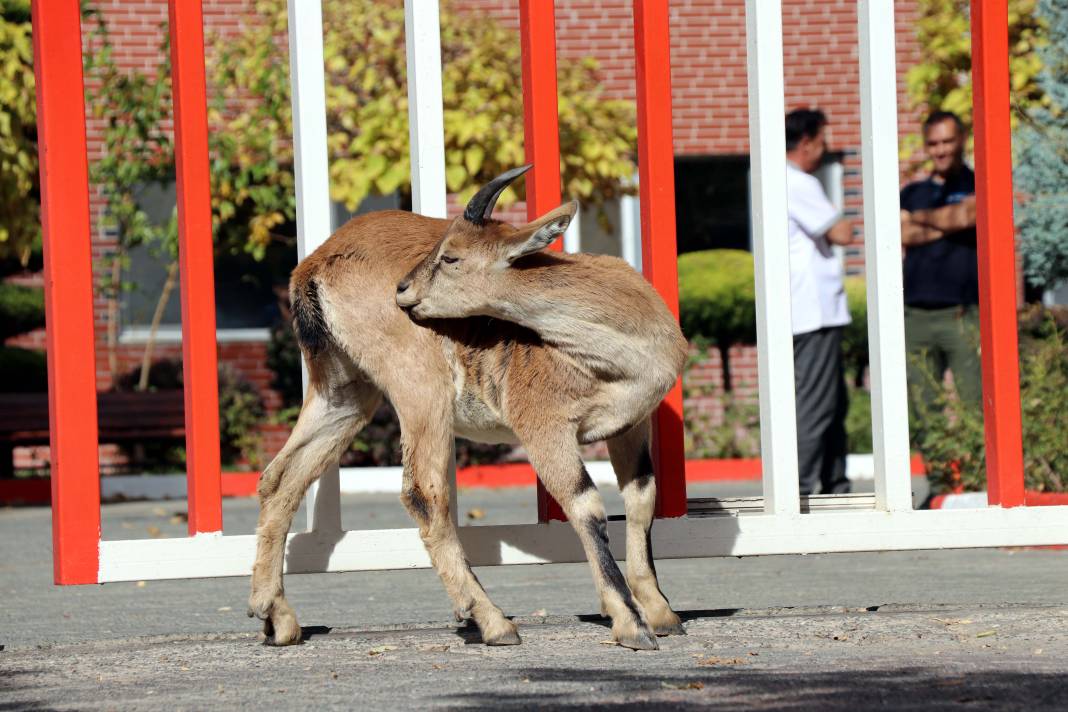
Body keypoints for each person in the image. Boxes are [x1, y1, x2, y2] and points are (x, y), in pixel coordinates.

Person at [784, 108, 854, 496]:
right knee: (817, 404)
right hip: (815, 313)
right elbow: (841, 232)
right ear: (807, 141)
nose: (825, 150)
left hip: (807, 311)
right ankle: (804, 488)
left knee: (831, 402)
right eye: (822, 141)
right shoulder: (798, 182)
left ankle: (834, 482)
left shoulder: (778, 181)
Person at [899, 111, 981, 436]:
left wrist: (919, 220)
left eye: (948, 141)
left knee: (975, 403)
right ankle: (938, 482)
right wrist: (949, 222)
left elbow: (967, 215)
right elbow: (902, 235)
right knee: (923, 408)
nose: (941, 150)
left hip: (962, 314)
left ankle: (978, 482)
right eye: (933, 143)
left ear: (961, 140)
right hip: (915, 315)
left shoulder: (978, 183)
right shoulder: (912, 192)